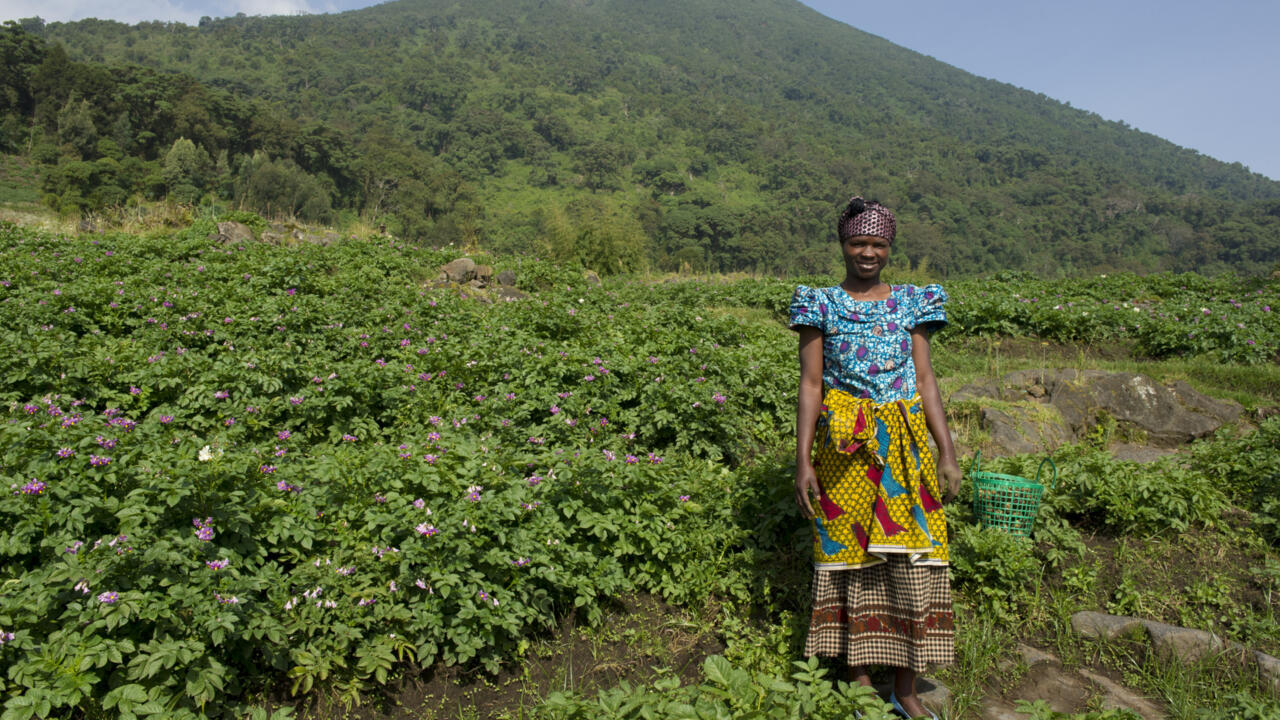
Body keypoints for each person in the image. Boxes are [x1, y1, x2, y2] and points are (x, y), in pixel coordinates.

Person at [789, 196, 962, 720]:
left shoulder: (913, 301)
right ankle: (862, 685)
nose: (868, 253)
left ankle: (905, 689)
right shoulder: (819, 303)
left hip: (906, 447)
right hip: (844, 449)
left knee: (916, 556)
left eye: (878, 244)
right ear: (842, 244)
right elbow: (811, 383)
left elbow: (927, 380)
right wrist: (803, 461)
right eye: (858, 243)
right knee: (849, 560)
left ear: (890, 248)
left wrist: (946, 451)